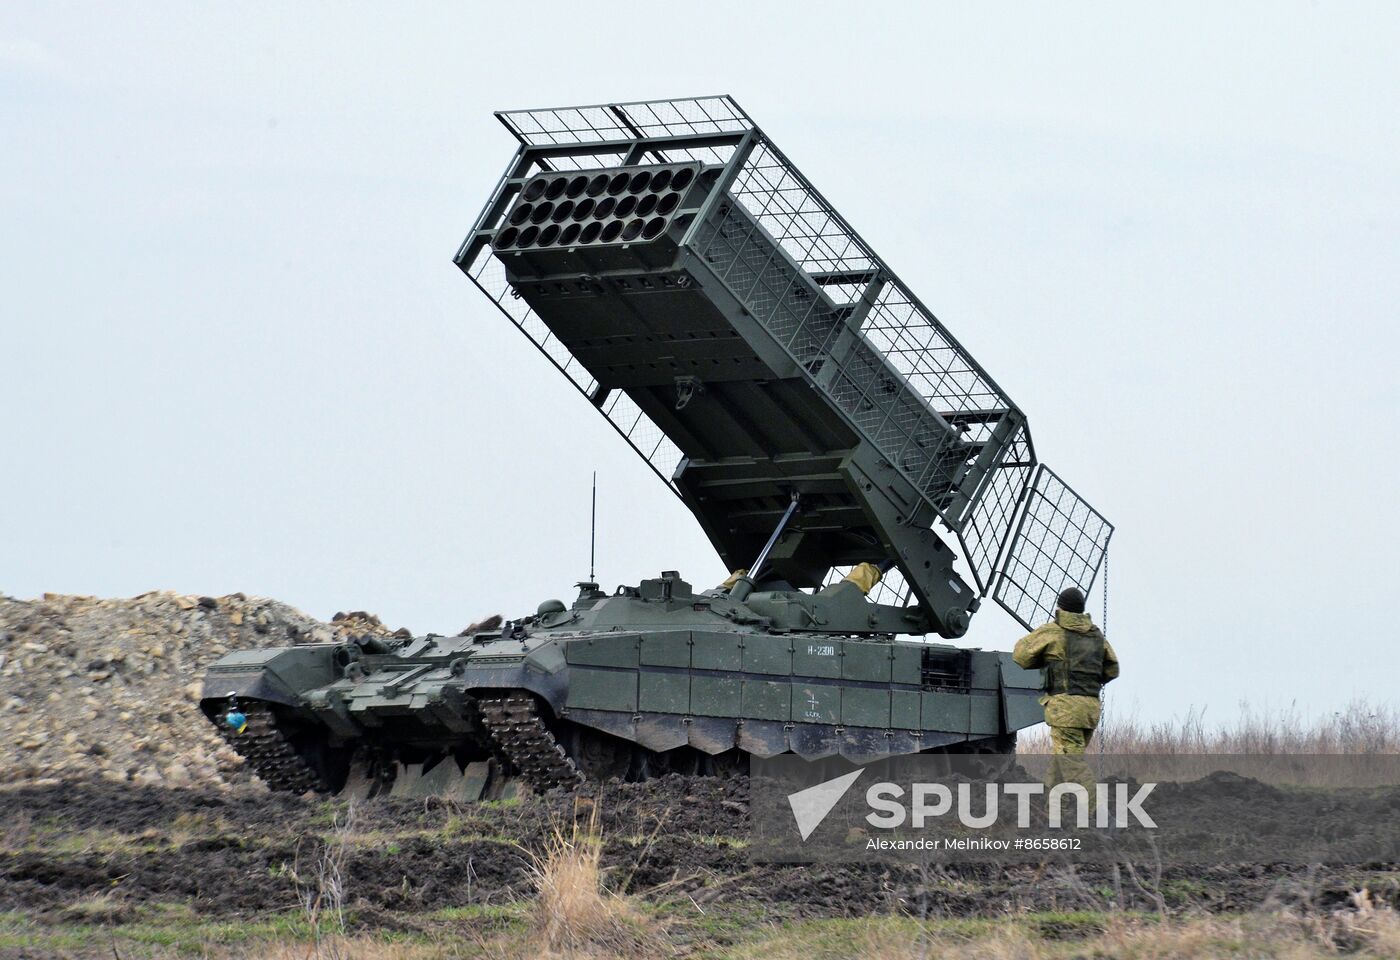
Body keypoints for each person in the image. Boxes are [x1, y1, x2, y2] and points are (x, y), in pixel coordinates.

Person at [1012, 587, 1118, 802]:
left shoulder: (1053, 631)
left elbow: (1021, 656)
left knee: (1071, 765)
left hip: (1065, 710)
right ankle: (1053, 817)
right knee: (1061, 763)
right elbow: (1111, 669)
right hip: (1089, 709)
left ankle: (1101, 814)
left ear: (1060, 608)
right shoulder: (1096, 635)